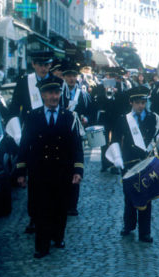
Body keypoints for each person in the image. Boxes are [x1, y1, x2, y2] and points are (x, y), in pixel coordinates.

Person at [15, 76, 84, 259]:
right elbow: (24, 145)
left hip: (62, 171)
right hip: (39, 171)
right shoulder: (32, 117)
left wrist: (78, 170)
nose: (54, 97)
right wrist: (21, 171)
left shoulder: (69, 117)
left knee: (60, 207)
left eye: (56, 93)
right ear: (43, 95)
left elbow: (76, 145)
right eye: (50, 93)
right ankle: (41, 245)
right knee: (41, 208)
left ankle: (58, 236)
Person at [9, 50, 63, 234]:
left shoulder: (57, 83)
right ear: (33, 64)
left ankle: (55, 220)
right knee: (35, 182)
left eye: (46, 64)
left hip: (54, 136)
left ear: (50, 65)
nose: (43, 68)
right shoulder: (24, 82)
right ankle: (34, 217)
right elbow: (14, 109)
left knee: (55, 181)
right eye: (39, 64)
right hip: (33, 137)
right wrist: (18, 135)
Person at [111, 86, 159, 243]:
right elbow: (114, 140)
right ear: (131, 102)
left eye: (143, 102)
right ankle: (129, 224)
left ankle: (145, 232)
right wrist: (117, 157)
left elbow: (155, 136)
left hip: (146, 162)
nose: (141, 106)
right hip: (129, 162)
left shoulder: (152, 117)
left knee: (146, 196)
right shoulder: (123, 119)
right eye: (138, 102)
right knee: (130, 196)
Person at [62, 59, 94, 216]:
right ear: (64, 77)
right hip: (61, 135)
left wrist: (86, 119)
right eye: (68, 76)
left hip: (77, 135)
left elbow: (90, 112)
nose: (71, 79)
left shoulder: (83, 95)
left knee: (76, 166)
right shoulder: (59, 93)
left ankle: (72, 204)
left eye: (73, 76)